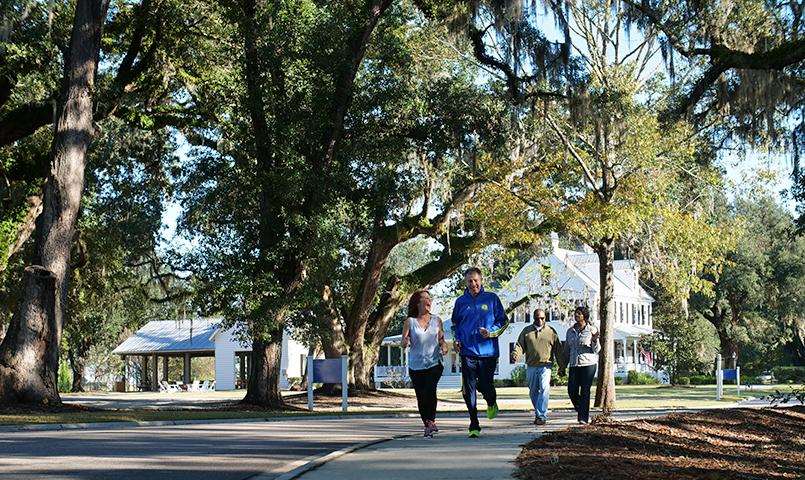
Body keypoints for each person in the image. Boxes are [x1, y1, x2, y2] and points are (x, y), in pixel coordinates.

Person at [451, 267, 509, 438]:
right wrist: (456, 340)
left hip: (488, 352)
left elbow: (504, 322)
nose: (473, 284)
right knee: (468, 388)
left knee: (485, 385)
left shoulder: (491, 299)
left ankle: (491, 402)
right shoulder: (461, 302)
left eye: (476, 280)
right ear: (466, 283)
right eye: (470, 281)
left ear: (481, 280)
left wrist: (491, 333)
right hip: (467, 351)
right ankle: (473, 423)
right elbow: (455, 325)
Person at [402, 290, 448, 437]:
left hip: (434, 363)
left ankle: (432, 420)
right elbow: (404, 341)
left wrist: (444, 345)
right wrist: (405, 341)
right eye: (425, 299)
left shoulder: (437, 320)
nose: (429, 301)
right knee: (421, 396)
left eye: (430, 298)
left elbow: (441, 339)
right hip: (416, 366)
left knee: (430, 389)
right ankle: (427, 423)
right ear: (418, 303)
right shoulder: (410, 322)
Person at [512, 308, 561, 426]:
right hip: (531, 366)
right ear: (533, 318)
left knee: (544, 388)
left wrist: (562, 366)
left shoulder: (551, 331)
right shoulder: (527, 331)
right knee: (533, 391)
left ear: (545, 318)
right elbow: (519, 345)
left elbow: (558, 350)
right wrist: (515, 354)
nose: (540, 320)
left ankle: (541, 416)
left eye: (542, 318)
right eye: (537, 318)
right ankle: (539, 413)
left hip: (546, 365)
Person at [565, 306, 600, 424]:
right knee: (572, 390)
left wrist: (594, 340)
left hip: (588, 364)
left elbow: (597, 349)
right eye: (575, 313)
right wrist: (563, 365)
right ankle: (581, 409)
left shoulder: (592, 330)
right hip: (574, 364)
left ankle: (583, 418)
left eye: (579, 314)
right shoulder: (570, 331)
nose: (576, 315)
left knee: (585, 390)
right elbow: (567, 349)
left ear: (584, 316)